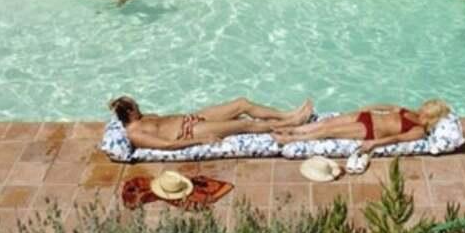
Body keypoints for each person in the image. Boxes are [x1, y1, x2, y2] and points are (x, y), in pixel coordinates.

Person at [111, 95, 314, 150]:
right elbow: (167, 145)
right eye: (136, 105)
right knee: (243, 124)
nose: (139, 106)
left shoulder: (142, 117)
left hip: (192, 118)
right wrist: (201, 141)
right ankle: (294, 124)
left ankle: (287, 115)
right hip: (191, 132)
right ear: (130, 112)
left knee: (241, 103)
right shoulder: (135, 133)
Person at [272, 99, 451, 153]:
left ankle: (291, 139)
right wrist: (371, 107)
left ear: (431, 119)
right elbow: (391, 107)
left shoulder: (419, 131)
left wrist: (375, 143)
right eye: (423, 108)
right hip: (366, 116)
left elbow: (396, 138)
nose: (420, 111)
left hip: (369, 130)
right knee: (326, 122)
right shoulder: (412, 112)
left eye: (425, 113)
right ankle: (293, 129)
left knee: (329, 131)